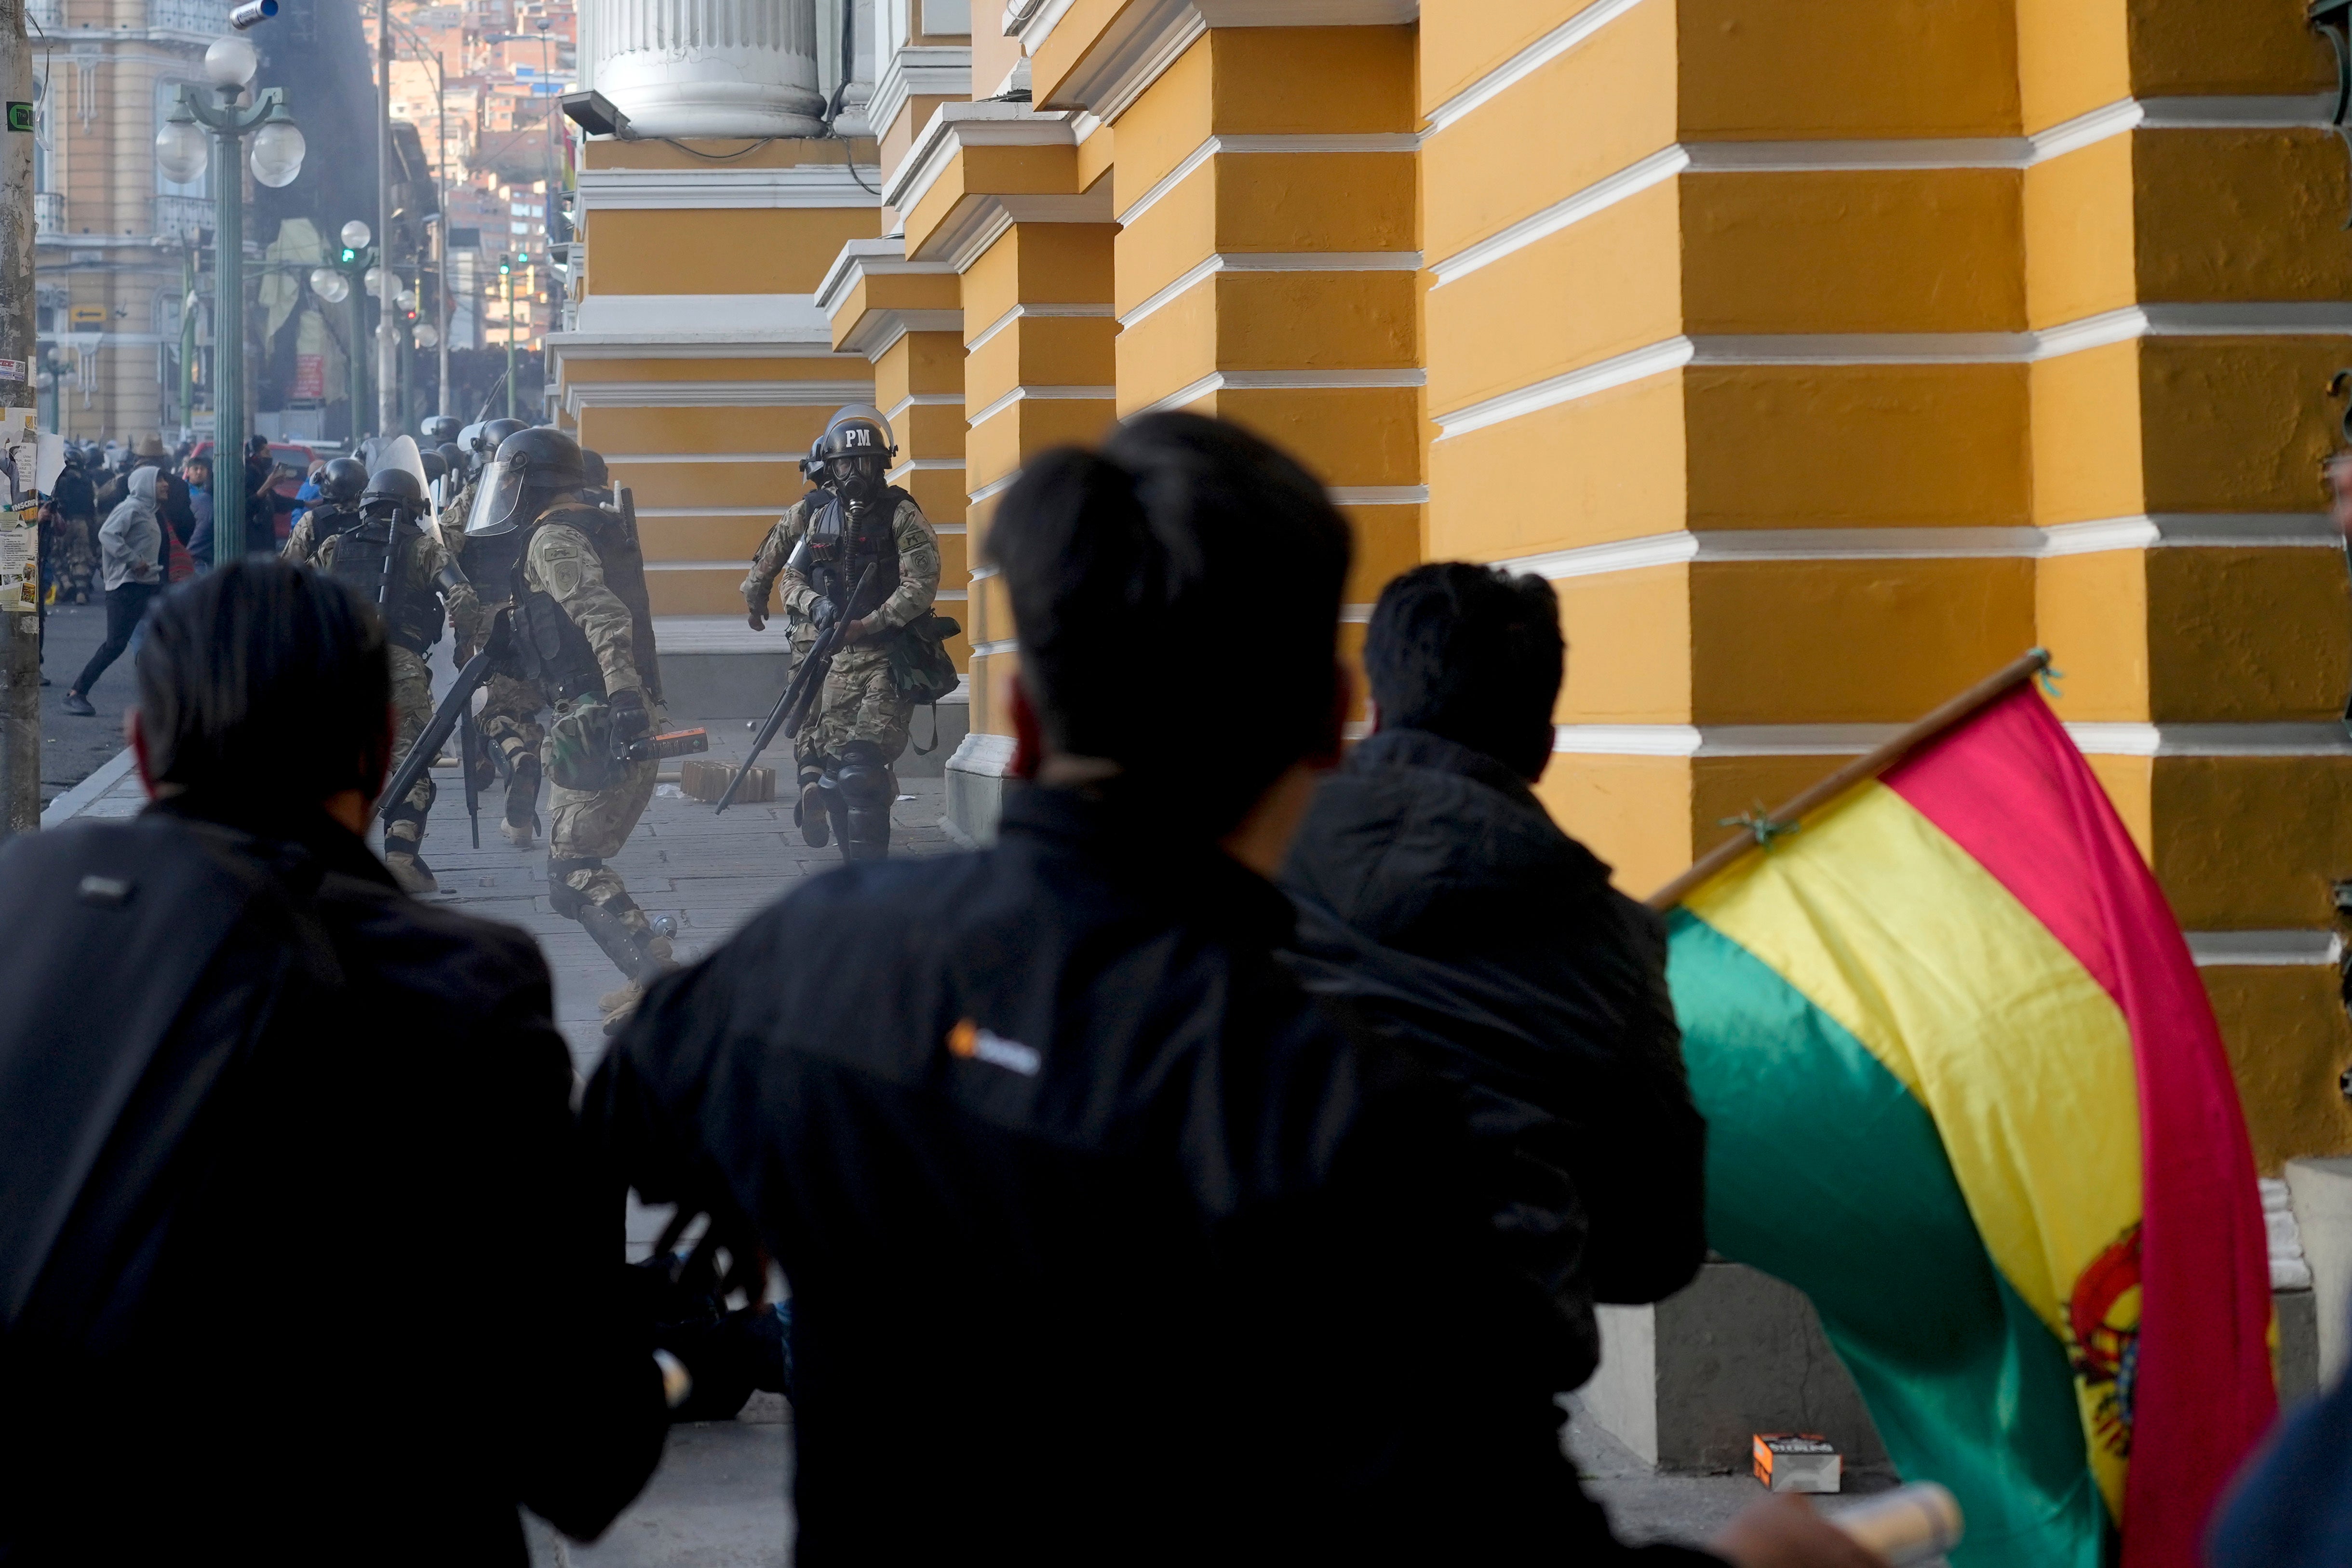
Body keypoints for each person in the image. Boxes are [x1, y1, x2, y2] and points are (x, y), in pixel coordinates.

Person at [583, 413, 1876, 1568]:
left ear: (1024, 718)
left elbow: (595, 1130)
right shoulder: (1359, 1113)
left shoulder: (803, 958)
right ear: (1325, 722)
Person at [0, 561, 672, 1562]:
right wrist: (672, 1350)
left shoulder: (19, 903)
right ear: (383, 746)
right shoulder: (458, 983)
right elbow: (578, 1456)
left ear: (142, 752)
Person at [1279, 563, 1709, 1328]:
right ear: (1543, 747)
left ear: (1372, 713)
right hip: (1480, 1396)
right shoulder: (1612, 947)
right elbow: (1655, 1246)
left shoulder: (1231, 871)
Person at [466, 424, 670, 1024]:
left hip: (600, 717)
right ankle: (646, 973)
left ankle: (656, 984)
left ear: (533, 481)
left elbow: (603, 617)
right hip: (611, 710)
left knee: (571, 872)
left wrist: (622, 696)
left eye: (511, 480)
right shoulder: (596, 524)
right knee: (577, 865)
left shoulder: (553, 538)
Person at [740, 406, 946, 859]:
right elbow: (792, 577)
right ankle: (844, 845)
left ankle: (868, 878)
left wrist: (868, 623)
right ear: (831, 469)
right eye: (846, 465)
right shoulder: (820, 516)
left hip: (889, 655)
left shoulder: (902, 514)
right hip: (833, 656)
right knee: (835, 767)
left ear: (882, 465)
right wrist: (818, 606)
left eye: (865, 463)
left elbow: (920, 583)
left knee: (862, 767)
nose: (855, 474)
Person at [285, 465, 482, 894]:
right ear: (414, 507)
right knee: (410, 764)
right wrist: (466, 641)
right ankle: (400, 859)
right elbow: (464, 595)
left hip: (337, 666)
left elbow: (293, 589)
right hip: (398, 664)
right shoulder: (423, 548)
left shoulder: (336, 544)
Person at [450, 416, 547, 847]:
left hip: (490, 614)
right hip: (538, 615)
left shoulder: (475, 494)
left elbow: (441, 550)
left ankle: (515, 756)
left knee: (489, 711)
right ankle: (520, 823)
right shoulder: (540, 495)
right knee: (524, 711)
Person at [59, 466, 169, 718]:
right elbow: (107, 534)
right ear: (144, 484)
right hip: (127, 588)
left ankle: (165, 698)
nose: (166, 485)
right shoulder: (131, 508)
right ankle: (76, 693)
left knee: (166, 636)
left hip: (148, 586)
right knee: (115, 645)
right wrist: (133, 560)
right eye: (159, 480)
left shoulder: (149, 511)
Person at [50, 445, 98, 603]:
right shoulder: (87, 479)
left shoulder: (60, 478)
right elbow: (93, 504)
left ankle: (65, 583)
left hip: (62, 523)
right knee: (80, 558)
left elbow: (52, 501)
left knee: (55, 555)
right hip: (83, 523)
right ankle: (81, 592)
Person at [244, 433, 295, 552]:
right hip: (252, 544)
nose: (270, 456)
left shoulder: (261, 475)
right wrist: (268, 485)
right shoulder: (246, 476)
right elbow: (245, 507)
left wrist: (305, 504)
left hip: (266, 541)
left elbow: (276, 502)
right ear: (254, 456)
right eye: (266, 452)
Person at [181, 453, 215, 566]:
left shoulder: (212, 490)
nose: (199, 472)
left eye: (202, 469)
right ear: (188, 471)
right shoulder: (181, 491)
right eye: (196, 469)